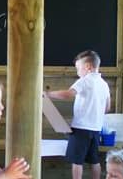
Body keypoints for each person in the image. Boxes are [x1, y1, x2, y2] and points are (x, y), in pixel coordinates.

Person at [47, 50, 111, 179]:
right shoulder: (104, 84)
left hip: (81, 128)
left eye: (78, 68)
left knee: (77, 161)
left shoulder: (85, 80)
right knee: (94, 160)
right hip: (96, 129)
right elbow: (107, 108)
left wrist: (48, 94)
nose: (78, 72)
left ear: (87, 67)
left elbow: (69, 94)